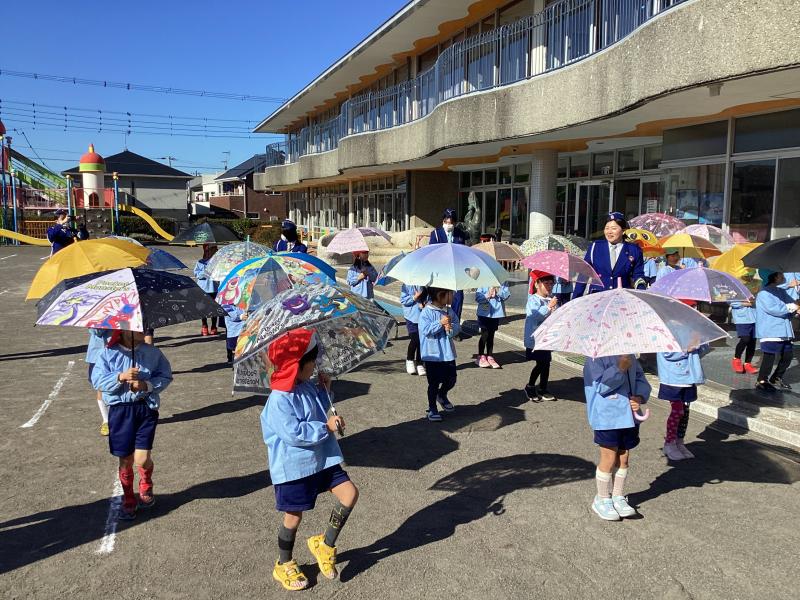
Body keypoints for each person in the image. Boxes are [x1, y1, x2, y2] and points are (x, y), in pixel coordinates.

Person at [261, 329, 358, 590]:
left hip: (322, 459)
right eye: (312, 361)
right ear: (296, 364)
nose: (315, 365)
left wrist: (326, 390)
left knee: (349, 494)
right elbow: (294, 433)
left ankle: (325, 544)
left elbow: (318, 410)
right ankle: (283, 563)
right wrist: (326, 427)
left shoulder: (304, 386)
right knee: (293, 516)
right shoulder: (278, 399)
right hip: (294, 467)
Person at [91, 330, 173, 520]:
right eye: (138, 328)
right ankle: (128, 499)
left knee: (142, 459)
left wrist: (146, 385)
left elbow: (165, 375)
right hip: (120, 411)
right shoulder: (107, 353)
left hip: (145, 409)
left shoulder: (152, 352)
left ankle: (146, 483)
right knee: (126, 460)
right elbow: (97, 381)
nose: (144, 331)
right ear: (125, 331)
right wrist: (120, 376)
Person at [584, 354, 651, 521]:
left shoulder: (629, 355)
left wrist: (639, 397)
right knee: (609, 457)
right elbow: (600, 386)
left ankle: (617, 496)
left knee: (624, 457)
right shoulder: (595, 358)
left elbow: (640, 378)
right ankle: (602, 498)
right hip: (607, 415)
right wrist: (619, 368)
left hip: (629, 415)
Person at [572, 212, 646, 298]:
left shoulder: (634, 250)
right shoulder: (595, 247)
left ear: (623, 231)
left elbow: (638, 275)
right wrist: (575, 298)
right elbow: (584, 274)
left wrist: (642, 294)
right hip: (597, 297)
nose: (609, 232)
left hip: (622, 298)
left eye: (614, 228)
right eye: (607, 228)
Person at [657, 343, 710, 461]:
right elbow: (667, 353)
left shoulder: (690, 333)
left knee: (685, 412)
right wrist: (687, 349)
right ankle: (669, 443)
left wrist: (701, 344)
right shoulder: (666, 335)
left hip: (689, 378)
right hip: (673, 379)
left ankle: (679, 441)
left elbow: (699, 352)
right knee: (677, 411)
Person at [419, 287, 460, 422]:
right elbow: (425, 330)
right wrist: (440, 323)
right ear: (440, 295)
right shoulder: (426, 312)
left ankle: (441, 395)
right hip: (433, 355)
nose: (453, 296)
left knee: (451, 379)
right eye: (450, 294)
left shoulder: (449, 311)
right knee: (434, 383)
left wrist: (450, 329)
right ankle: (432, 408)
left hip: (447, 353)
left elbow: (457, 325)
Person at [755, 271, 798, 392]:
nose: (783, 277)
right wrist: (793, 307)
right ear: (774, 277)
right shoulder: (764, 293)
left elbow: (791, 303)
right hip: (771, 330)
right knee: (769, 356)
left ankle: (776, 377)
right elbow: (774, 309)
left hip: (784, 330)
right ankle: (761, 380)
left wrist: (796, 306)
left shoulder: (781, 291)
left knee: (788, 356)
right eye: (781, 275)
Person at [430, 208, 468, 338]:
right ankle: (441, 325)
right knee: (440, 298)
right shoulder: (436, 234)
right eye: (446, 221)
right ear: (443, 221)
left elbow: (463, 252)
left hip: (456, 271)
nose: (448, 224)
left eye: (451, 222)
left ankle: (454, 327)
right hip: (441, 271)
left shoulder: (460, 234)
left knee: (458, 298)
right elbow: (432, 252)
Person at [524, 271, 559, 401]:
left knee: (546, 363)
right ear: (537, 284)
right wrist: (549, 307)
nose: (549, 286)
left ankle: (543, 388)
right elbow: (534, 317)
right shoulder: (533, 300)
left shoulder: (551, 299)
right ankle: (530, 386)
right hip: (536, 338)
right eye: (546, 283)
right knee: (541, 363)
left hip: (547, 338)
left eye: (551, 284)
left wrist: (555, 310)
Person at [475, 283, 510, 369]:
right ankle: (480, 356)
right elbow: (478, 297)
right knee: (485, 334)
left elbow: (506, 295)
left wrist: (498, 291)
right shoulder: (483, 281)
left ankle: (490, 356)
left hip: (496, 313)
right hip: (484, 313)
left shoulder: (503, 282)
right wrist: (487, 294)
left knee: (491, 335)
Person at [85, 328, 111, 436]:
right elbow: (96, 331)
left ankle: (120, 417)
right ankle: (106, 420)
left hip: (119, 352)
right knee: (101, 387)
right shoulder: (97, 317)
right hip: (98, 355)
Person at [194, 244, 219, 336]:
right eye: (211, 250)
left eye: (215, 250)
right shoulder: (200, 262)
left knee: (214, 308)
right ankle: (204, 325)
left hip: (214, 288)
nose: (213, 252)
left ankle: (214, 326)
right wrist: (205, 272)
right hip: (203, 288)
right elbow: (197, 274)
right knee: (203, 308)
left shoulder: (217, 262)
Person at [400, 284, 426, 376]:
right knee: (415, 339)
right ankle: (410, 360)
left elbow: (429, 298)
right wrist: (414, 297)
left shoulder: (425, 285)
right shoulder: (406, 285)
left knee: (422, 340)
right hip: (411, 316)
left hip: (423, 316)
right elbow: (403, 300)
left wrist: (425, 304)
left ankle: (420, 362)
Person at [730, 296, 758, 374]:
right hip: (742, 319)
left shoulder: (754, 290)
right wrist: (746, 303)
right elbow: (730, 302)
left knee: (752, 342)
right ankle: (736, 359)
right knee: (745, 339)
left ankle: (747, 363)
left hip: (754, 317)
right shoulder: (735, 290)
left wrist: (754, 300)